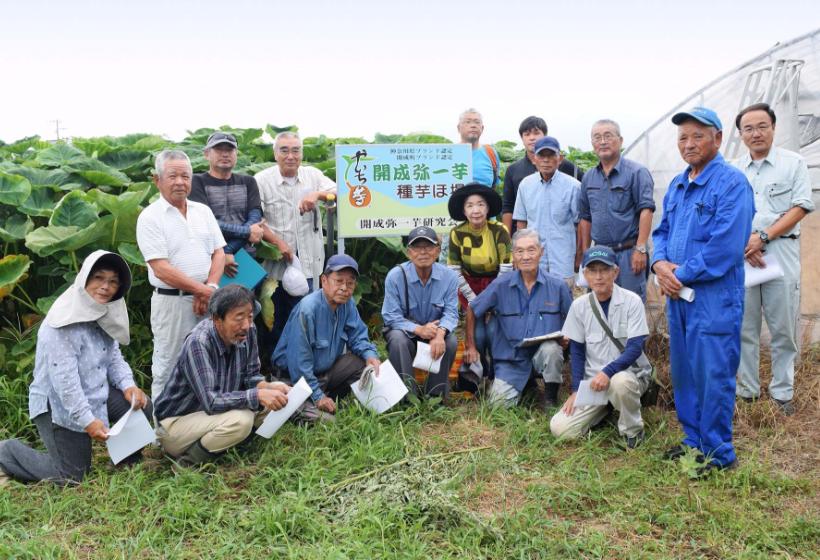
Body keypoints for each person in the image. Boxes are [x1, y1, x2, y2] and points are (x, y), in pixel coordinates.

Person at [652, 106, 754, 477]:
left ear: (717, 138)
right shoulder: (679, 185)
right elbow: (660, 232)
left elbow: (725, 247)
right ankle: (692, 442)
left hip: (714, 299)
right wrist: (659, 265)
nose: (689, 143)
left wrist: (680, 275)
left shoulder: (731, 183)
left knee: (713, 373)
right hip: (679, 298)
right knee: (685, 372)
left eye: (698, 135)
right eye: (682, 137)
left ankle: (717, 452)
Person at [0, 251, 151, 486]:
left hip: (93, 391)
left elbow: (114, 359)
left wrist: (129, 385)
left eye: (112, 281)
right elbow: (65, 384)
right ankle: (6, 452)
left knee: (141, 405)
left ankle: (125, 460)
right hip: (58, 404)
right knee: (71, 478)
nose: (105, 286)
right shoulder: (61, 324)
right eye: (98, 278)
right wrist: (88, 421)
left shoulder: (103, 312)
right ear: (84, 279)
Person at [732, 103, 814, 415]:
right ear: (741, 135)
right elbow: (725, 214)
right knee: (744, 327)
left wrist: (762, 237)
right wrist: (745, 244)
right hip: (743, 256)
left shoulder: (793, 163)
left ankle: (782, 394)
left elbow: (801, 206)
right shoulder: (733, 169)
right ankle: (747, 391)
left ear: (774, 128)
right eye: (749, 128)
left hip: (779, 251)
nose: (756, 133)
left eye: (762, 126)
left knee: (782, 327)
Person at [154, 285, 291, 468]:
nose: (246, 325)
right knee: (241, 421)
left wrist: (269, 388)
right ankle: (186, 464)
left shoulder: (248, 332)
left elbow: (251, 376)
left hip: (215, 415)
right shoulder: (199, 343)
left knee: (274, 404)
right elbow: (211, 402)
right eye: (239, 317)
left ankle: (228, 448)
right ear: (217, 320)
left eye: (250, 316)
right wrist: (257, 395)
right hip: (177, 424)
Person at [137, 150, 226, 400]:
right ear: (157, 180)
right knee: (170, 364)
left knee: (210, 358)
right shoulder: (150, 217)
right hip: (173, 303)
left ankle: (204, 420)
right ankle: (161, 433)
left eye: (185, 176)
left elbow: (219, 253)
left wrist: (209, 286)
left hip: (207, 297)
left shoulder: (202, 211)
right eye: (172, 175)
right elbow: (160, 268)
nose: (180, 182)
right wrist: (201, 290)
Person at [550, 246, 652, 449]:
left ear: (615, 272)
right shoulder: (579, 306)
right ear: (585, 275)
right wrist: (577, 390)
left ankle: (631, 431)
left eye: (604, 270)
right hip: (594, 383)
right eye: (593, 270)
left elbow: (634, 348)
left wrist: (608, 372)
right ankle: (605, 410)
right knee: (559, 428)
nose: (599, 276)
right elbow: (577, 352)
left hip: (629, 376)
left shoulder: (632, 301)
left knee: (620, 383)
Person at [465, 230, 572, 410]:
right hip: (511, 360)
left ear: (541, 252)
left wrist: (568, 337)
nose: (525, 257)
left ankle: (550, 400)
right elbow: (472, 309)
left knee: (552, 349)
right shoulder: (501, 285)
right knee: (496, 408)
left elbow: (575, 319)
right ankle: (528, 386)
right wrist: (470, 345)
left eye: (531, 250)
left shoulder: (558, 285)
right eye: (520, 251)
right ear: (513, 255)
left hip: (543, 355)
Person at [255, 131, 337, 352]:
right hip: (275, 264)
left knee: (305, 314)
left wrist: (318, 195)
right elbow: (256, 220)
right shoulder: (262, 180)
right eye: (284, 150)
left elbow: (341, 192)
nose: (290, 155)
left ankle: (302, 365)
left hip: (309, 261)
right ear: (274, 154)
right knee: (275, 318)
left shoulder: (313, 175)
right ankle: (278, 367)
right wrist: (278, 243)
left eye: (295, 150)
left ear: (301, 153)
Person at [272, 255, 380, 422]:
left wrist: (369, 355)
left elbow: (357, 335)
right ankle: (312, 403)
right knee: (328, 422)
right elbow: (300, 364)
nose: (344, 288)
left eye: (350, 283)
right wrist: (317, 396)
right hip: (293, 380)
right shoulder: (308, 310)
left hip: (323, 374)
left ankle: (326, 400)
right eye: (338, 281)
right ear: (324, 281)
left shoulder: (347, 303)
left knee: (361, 364)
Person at [577, 120, 656, 302]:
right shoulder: (588, 178)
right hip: (599, 254)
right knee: (599, 308)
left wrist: (640, 249)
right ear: (592, 144)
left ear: (620, 141)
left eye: (608, 136)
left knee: (630, 306)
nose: (602, 141)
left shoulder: (636, 172)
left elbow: (646, 210)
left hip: (629, 253)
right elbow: (585, 217)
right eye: (597, 138)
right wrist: (584, 254)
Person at [446, 181, 512, 384]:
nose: (476, 210)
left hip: (496, 287)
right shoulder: (457, 233)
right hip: (469, 288)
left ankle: (497, 374)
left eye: (481, 204)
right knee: (477, 334)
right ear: (464, 211)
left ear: (488, 208)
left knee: (492, 331)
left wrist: (489, 301)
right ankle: (479, 373)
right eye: (470, 205)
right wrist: (475, 301)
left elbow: (506, 268)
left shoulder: (499, 230)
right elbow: (454, 270)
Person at [382, 227, 459, 401]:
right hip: (408, 334)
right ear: (409, 252)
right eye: (417, 247)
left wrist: (440, 333)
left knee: (451, 341)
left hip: (433, 334)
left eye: (429, 247)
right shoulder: (395, 276)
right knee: (396, 338)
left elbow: (451, 312)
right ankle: (407, 398)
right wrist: (418, 329)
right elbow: (391, 316)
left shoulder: (449, 277)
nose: (423, 252)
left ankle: (435, 396)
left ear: (438, 251)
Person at [188, 132, 264, 277]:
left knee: (245, 299)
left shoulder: (248, 182)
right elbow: (205, 223)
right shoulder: (196, 181)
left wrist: (229, 249)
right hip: (209, 258)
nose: (225, 154)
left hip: (245, 259)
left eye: (229, 150)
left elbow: (255, 218)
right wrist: (223, 252)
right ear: (206, 154)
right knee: (210, 298)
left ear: (236, 154)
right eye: (219, 149)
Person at [513, 136, 582, 284]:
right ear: (534, 159)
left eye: (551, 155)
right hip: (533, 257)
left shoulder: (573, 186)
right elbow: (521, 223)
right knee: (534, 298)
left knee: (564, 299)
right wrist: (519, 254)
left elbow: (580, 223)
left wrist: (579, 255)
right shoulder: (525, 185)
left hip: (563, 257)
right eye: (541, 155)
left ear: (560, 158)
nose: (546, 160)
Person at [502, 116, 584, 235]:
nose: (532, 138)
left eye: (536, 133)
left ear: (545, 135)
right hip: (527, 236)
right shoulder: (513, 170)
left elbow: (585, 188)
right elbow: (508, 206)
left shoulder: (565, 166)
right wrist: (507, 238)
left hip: (560, 239)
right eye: (527, 134)